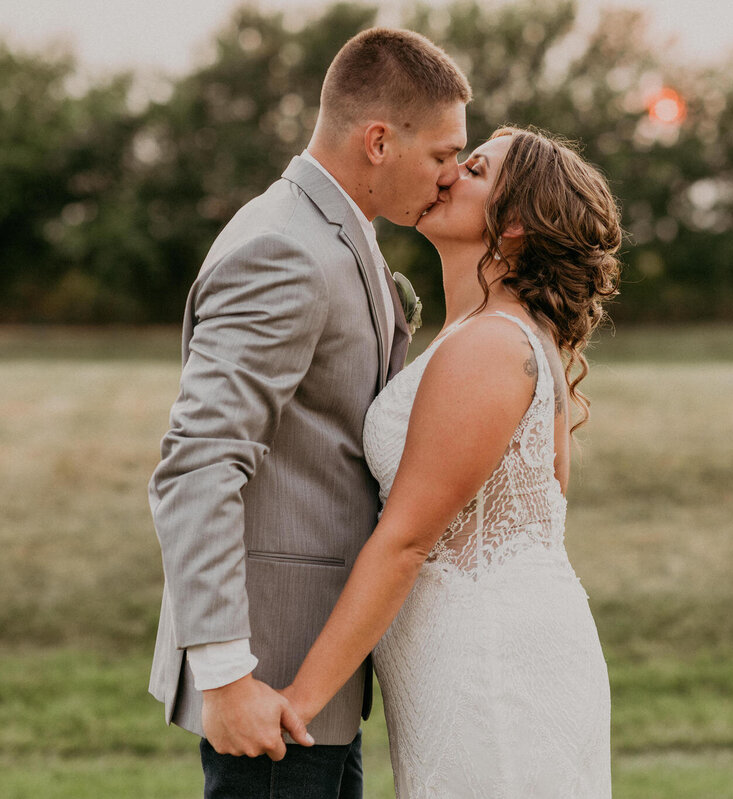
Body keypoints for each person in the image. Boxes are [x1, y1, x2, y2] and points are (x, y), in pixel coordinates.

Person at [146, 27, 470, 799]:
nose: (453, 175)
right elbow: (198, 460)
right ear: (380, 141)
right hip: (270, 683)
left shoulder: (334, 233)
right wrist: (226, 675)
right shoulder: (285, 248)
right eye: (442, 155)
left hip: (318, 681)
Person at [279, 126, 622, 797]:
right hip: (474, 654)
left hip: (491, 664)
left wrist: (300, 701)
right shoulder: (493, 335)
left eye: (471, 169)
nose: (443, 175)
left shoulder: (490, 345)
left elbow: (406, 539)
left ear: (516, 222)